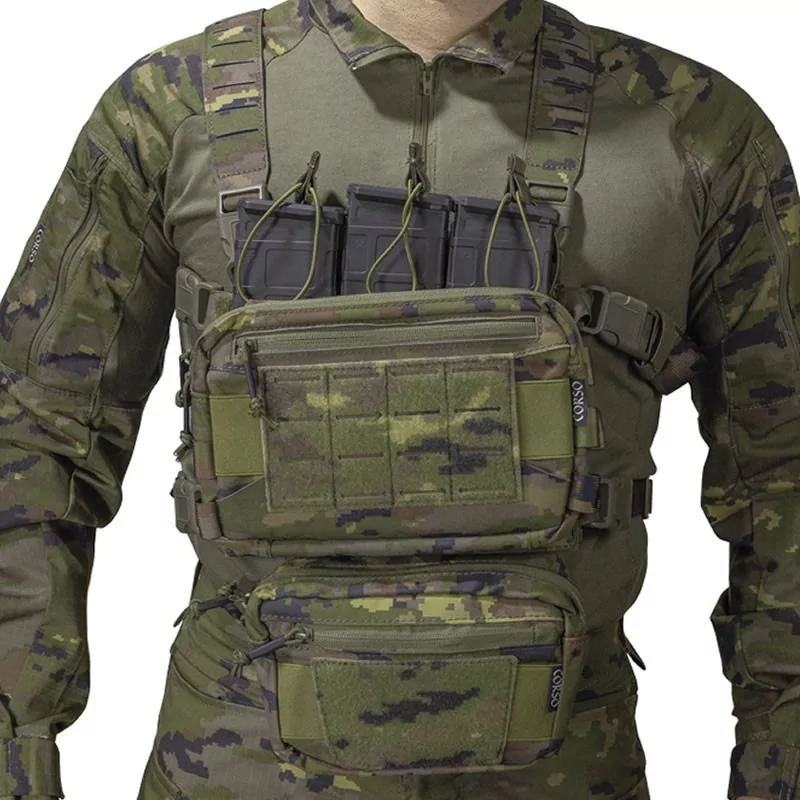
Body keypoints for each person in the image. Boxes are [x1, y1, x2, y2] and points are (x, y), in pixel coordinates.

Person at [0, 0, 797, 798]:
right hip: (237, 770)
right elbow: (34, 436)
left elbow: (782, 474)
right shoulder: (172, 108)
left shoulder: (694, 129)